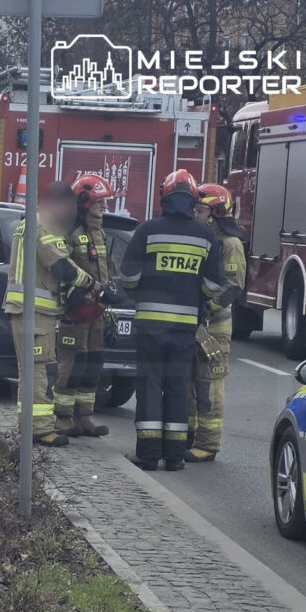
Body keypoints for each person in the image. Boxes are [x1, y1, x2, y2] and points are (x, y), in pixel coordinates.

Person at [117, 169, 231, 471]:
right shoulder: (206, 235)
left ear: (164, 197)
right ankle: (175, 456)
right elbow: (215, 284)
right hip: (185, 326)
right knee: (178, 386)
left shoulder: (147, 230)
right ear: (193, 201)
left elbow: (128, 277)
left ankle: (149, 453)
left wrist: (142, 290)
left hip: (150, 325)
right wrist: (195, 293)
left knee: (150, 384)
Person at [4, 181, 94, 447]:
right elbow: (61, 266)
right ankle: (41, 429)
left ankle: (31, 425)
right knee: (40, 370)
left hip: (31, 311)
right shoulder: (45, 225)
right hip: (34, 312)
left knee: (33, 370)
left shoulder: (33, 222)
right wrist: (89, 283)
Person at [185, 183, 246, 463]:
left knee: (210, 384)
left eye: (200, 210)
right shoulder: (202, 239)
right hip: (195, 322)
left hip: (214, 326)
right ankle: (190, 433)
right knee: (190, 381)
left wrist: (205, 306)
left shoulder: (230, 244)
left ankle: (208, 444)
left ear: (215, 213)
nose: (195, 214)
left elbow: (233, 287)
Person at [54, 175, 115, 438]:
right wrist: (74, 295)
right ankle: (62, 417)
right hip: (76, 312)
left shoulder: (100, 232)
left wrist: (112, 287)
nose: (104, 207)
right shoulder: (70, 232)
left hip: (97, 311)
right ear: (84, 201)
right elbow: (61, 268)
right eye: (99, 202)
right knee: (73, 361)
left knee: (92, 361)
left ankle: (85, 415)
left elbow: (105, 267)